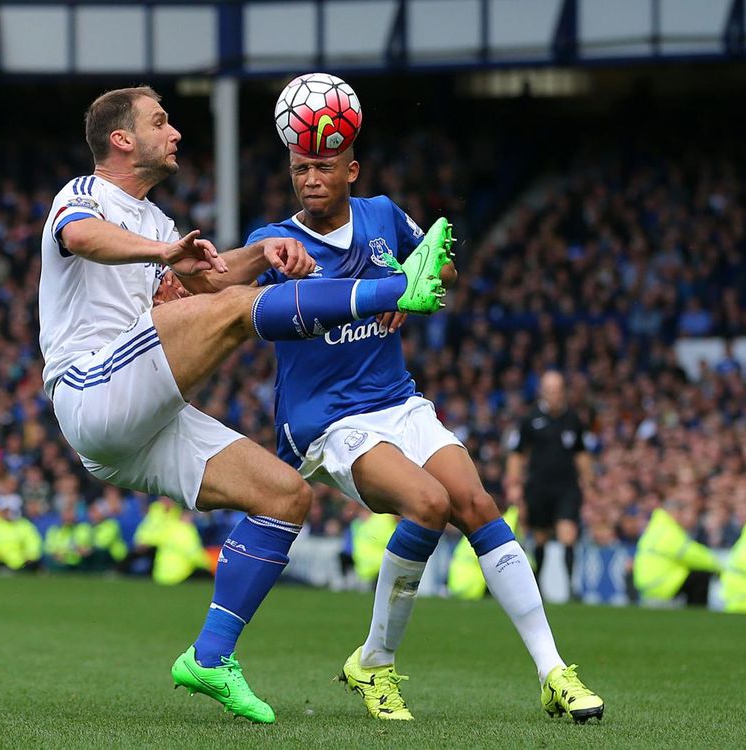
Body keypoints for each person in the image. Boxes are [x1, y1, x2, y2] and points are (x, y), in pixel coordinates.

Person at [38, 86, 452, 724]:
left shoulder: (155, 222)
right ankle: (391, 290)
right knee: (235, 311)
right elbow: (85, 238)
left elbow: (204, 278)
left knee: (285, 495)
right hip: (91, 386)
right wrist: (164, 257)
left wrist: (264, 253)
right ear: (122, 140)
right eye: (160, 121)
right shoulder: (87, 196)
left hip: (141, 424)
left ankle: (209, 657)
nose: (174, 132)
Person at [236, 146, 602, 723]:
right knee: (427, 503)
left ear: (350, 170)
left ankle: (553, 671)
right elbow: (238, 298)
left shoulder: (381, 214)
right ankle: (376, 663)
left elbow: (444, 270)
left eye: (322, 167)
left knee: (477, 504)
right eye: (299, 169)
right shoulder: (276, 240)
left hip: (397, 400)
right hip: (328, 420)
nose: (309, 179)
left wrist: (407, 278)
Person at [506, 370, 594, 591]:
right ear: (542, 392)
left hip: (567, 486)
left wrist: (588, 480)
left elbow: (581, 452)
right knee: (540, 535)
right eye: (549, 391)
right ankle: (539, 585)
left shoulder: (573, 419)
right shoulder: (530, 419)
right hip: (539, 487)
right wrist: (514, 483)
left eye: (557, 390)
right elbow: (517, 453)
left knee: (568, 533)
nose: (554, 395)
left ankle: (571, 587)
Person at [632, 505, 720, 606]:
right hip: (661, 585)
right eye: (683, 514)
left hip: (647, 587)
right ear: (675, 513)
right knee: (701, 575)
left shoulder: (654, 528)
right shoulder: (668, 531)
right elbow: (692, 555)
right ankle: (697, 616)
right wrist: (717, 566)